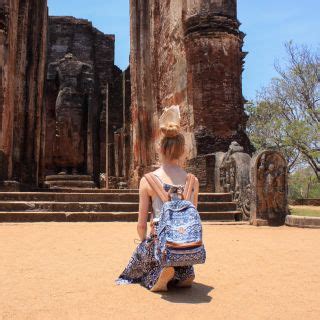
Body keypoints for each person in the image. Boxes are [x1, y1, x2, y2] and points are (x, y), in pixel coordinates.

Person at [116, 105, 200, 292]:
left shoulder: (148, 180)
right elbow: (193, 217)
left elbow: (141, 225)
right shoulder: (192, 181)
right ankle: (184, 271)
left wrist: (143, 241)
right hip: (187, 243)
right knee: (177, 244)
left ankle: (158, 275)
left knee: (146, 250)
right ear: (182, 150)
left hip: (162, 241)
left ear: (159, 148)